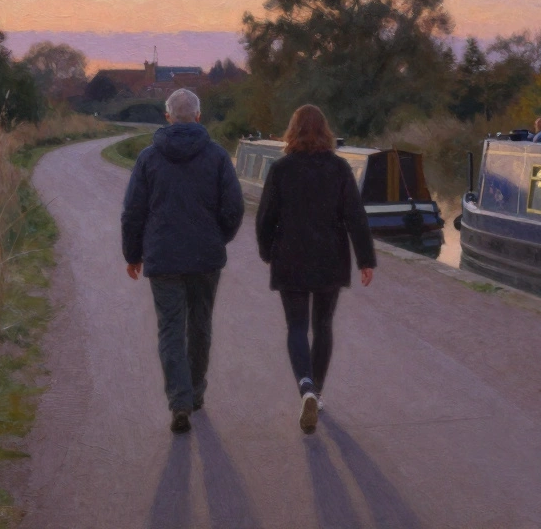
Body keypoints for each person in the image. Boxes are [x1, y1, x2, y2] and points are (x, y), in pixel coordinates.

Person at [121, 89, 244, 434]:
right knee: (201, 324)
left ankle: (179, 401)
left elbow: (133, 212)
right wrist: (218, 237)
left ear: (168, 117)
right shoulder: (218, 157)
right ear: (199, 117)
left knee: (170, 329)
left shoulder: (148, 158)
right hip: (206, 257)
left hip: (163, 258)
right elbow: (234, 208)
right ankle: (196, 392)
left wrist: (133, 254)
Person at [255, 105, 376, 434]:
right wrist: (365, 259)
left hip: (290, 257)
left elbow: (266, 217)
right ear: (325, 131)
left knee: (296, 326)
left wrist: (267, 251)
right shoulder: (338, 169)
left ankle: (305, 386)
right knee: (323, 324)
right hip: (329, 258)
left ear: (291, 131)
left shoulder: (280, 169)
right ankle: (317, 392)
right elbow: (355, 216)